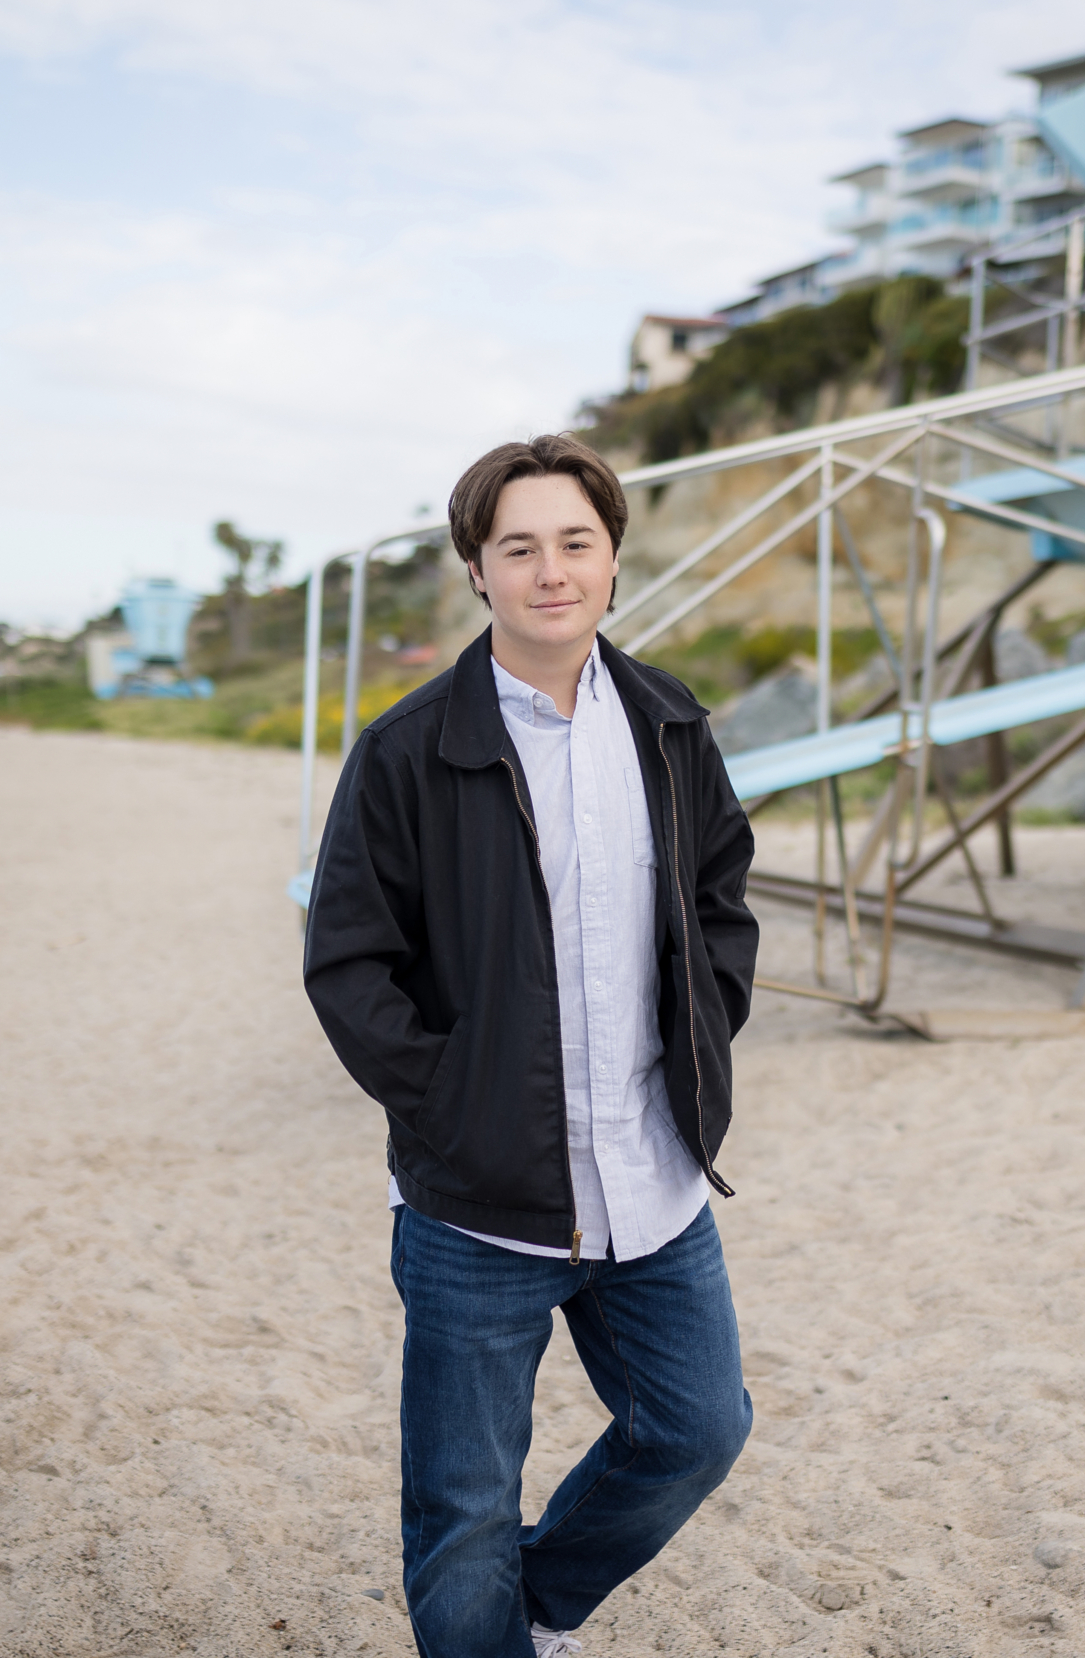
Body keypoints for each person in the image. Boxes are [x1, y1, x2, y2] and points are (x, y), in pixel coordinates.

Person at [302, 434, 759, 1657]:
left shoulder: (669, 725)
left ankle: (539, 1609)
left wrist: (707, 1027)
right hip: (479, 1210)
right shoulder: (407, 751)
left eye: (576, 542)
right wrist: (451, 1106)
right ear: (476, 571)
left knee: (696, 1430)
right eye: (519, 548)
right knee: (459, 1515)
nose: (550, 570)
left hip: (654, 1185)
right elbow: (348, 960)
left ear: (612, 563)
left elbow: (721, 900)